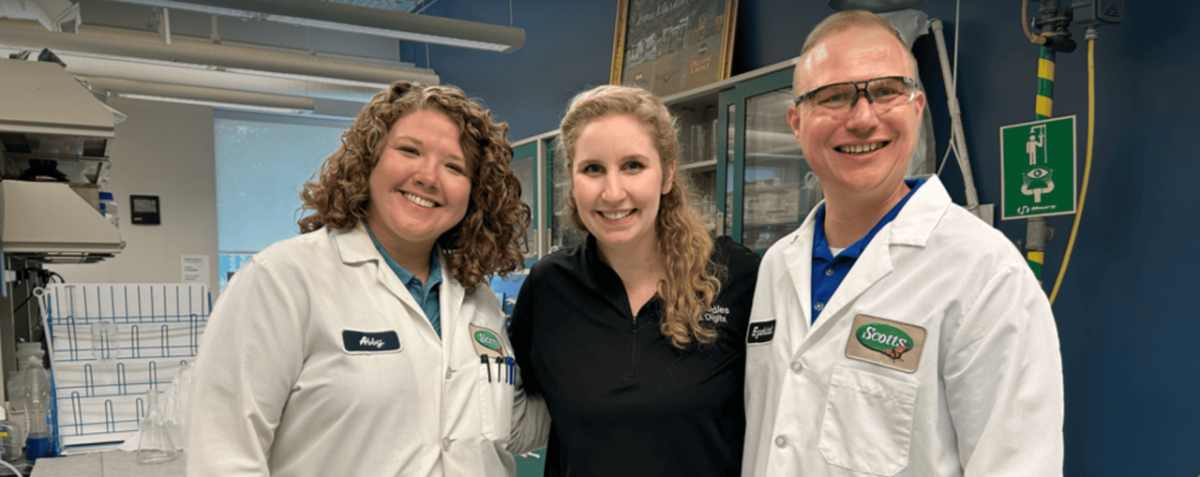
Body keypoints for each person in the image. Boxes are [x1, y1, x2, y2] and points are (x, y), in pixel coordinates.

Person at [742, 11, 1064, 477]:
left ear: (916, 107)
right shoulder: (776, 265)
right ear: (797, 122)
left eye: (886, 91)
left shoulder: (985, 275)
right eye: (832, 97)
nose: (863, 118)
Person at [187, 82, 549, 476]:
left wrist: (608, 393)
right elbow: (223, 453)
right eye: (410, 150)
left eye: (454, 166)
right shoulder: (283, 280)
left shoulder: (477, 299)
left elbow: (507, 429)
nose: (429, 177)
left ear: (474, 194)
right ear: (368, 161)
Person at [508, 85, 760, 477]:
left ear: (668, 173)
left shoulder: (736, 275)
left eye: (633, 166)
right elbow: (504, 403)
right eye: (593, 169)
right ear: (573, 180)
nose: (613, 192)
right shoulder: (548, 287)